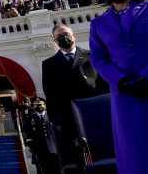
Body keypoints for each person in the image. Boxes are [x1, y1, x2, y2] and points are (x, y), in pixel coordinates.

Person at [89, 0, 148, 174]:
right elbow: (99, 59)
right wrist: (123, 81)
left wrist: (147, 77)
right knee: (138, 150)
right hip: (126, 94)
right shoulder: (98, 24)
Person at [41, 23, 108, 166]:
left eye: (66, 34)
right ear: (54, 40)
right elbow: (50, 92)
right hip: (69, 118)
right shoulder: (49, 64)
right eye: (59, 36)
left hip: (95, 113)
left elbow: (103, 84)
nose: (63, 38)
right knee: (76, 159)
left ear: (74, 35)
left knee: (102, 154)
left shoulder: (91, 56)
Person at [23, 99, 63, 174]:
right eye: (38, 106)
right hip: (40, 149)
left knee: (57, 170)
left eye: (42, 105)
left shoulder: (51, 116)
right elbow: (28, 134)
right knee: (46, 171)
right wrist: (32, 147)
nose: (40, 107)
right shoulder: (30, 118)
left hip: (54, 148)